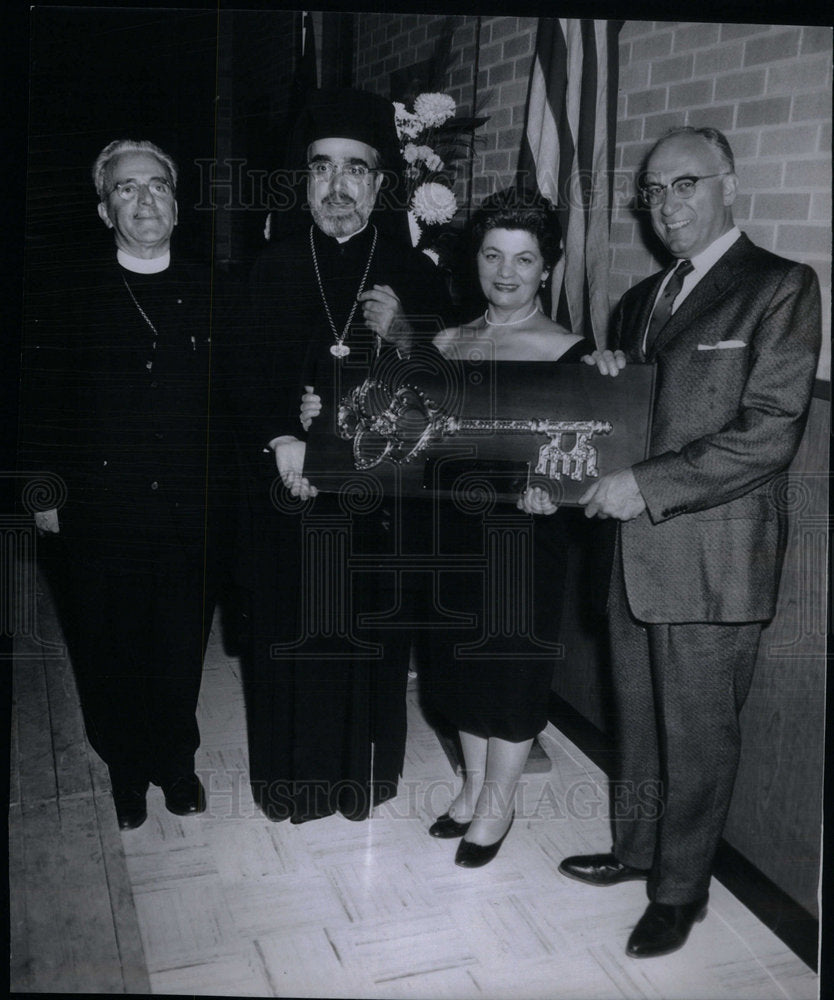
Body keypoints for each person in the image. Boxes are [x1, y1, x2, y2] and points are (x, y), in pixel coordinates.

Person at [559, 126, 821, 958]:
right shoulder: (641, 299)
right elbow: (627, 416)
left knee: (701, 733)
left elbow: (770, 432)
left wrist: (645, 484)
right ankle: (637, 851)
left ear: (728, 186)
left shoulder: (781, 286)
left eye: (685, 185)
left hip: (713, 555)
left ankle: (682, 891)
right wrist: (599, 391)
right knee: (637, 717)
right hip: (632, 552)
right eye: (653, 191)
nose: (666, 205)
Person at [237, 88, 455, 824]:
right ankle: (290, 784)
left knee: (369, 638)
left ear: (379, 182)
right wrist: (280, 438)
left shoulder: (415, 274)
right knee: (288, 636)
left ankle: (362, 783)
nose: (337, 186)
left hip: (376, 510)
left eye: (355, 169)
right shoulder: (265, 268)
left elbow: (450, 398)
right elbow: (235, 383)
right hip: (288, 494)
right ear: (303, 180)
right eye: (322, 168)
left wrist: (406, 338)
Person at [19, 139, 229, 830]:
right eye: (127, 188)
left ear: (176, 201)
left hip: (189, 509)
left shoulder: (216, 289)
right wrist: (42, 491)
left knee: (176, 641)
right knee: (106, 645)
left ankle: (175, 761)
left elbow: (240, 401)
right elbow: (33, 398)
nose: (145, 199)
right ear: (105, 209)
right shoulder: (65, 291)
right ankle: (125, 767)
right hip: (99, 508)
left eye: (158, 186)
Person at [422, 188, 588, 867]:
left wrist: (563, 493)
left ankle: (499, 802)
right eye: (493, 255)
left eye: (524, 258)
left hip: (525, 534)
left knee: (512, 669)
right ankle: (470, 787)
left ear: (548, 267)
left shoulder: (572, 351)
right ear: (477, 260)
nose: (507, 272)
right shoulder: (446, 341)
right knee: (456, 663)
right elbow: (421, 441)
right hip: (450, 530)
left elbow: (586, 451)